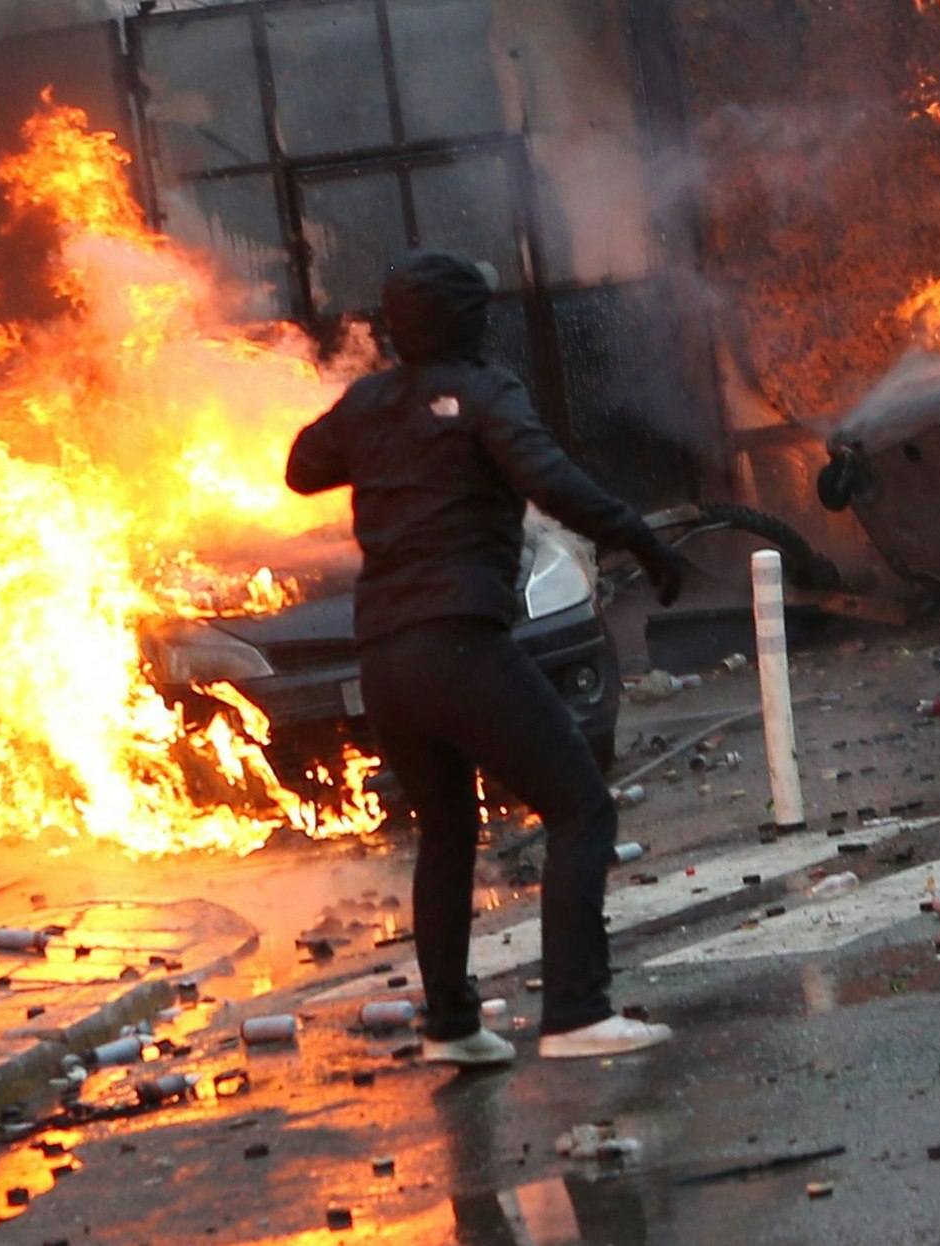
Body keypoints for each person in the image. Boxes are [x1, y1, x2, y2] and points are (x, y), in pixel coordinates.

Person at [286, 250, 689, 1065]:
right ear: (476, 324)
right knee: (580, 807)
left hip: (386, 661)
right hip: (461, 642)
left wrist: (383, 424)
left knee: (446, 829)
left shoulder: (367, 403)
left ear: (394, 328)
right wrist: (640, 538)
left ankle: (452, 1027)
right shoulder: (484, 393)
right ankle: (577, 1012)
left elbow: (302, 467)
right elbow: (555, 481)